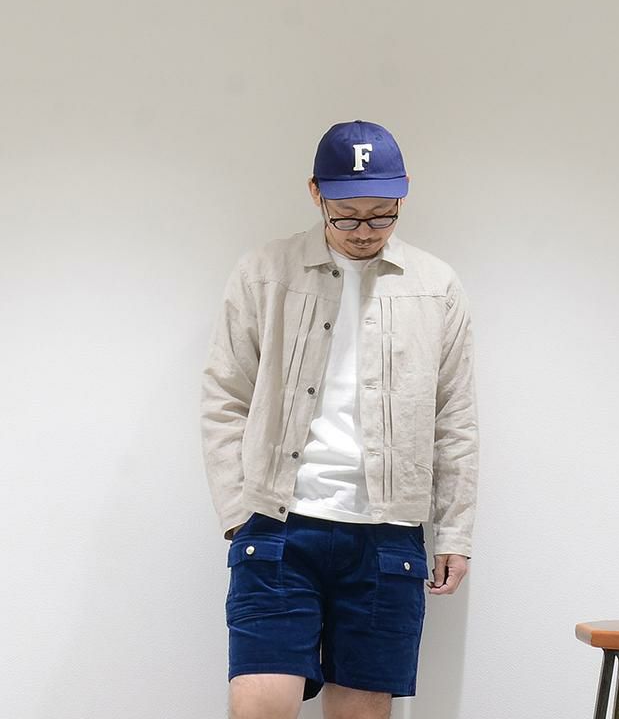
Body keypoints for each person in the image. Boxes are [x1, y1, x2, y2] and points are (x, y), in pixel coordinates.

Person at [200, 119, 479, 719]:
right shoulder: (265, 273)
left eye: (382, 216)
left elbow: (454, 418)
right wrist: (238, 515)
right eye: (347, 216)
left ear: (403, 195)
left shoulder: (436, 286)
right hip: (279, 527)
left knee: (361, 712)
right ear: (315, 193)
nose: (364, 231)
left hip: (387, 533)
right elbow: (225, 395)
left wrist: (454, 532)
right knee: (258, 706)